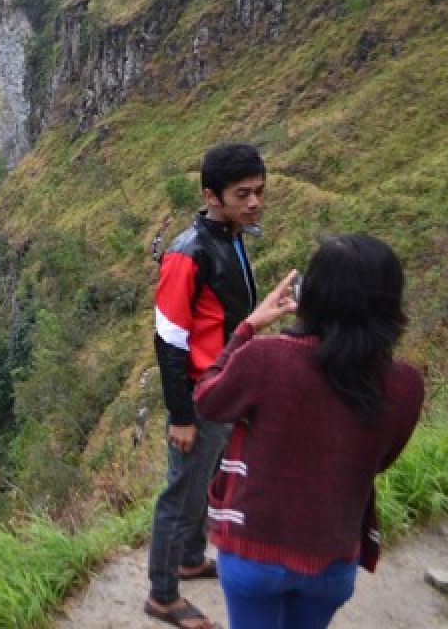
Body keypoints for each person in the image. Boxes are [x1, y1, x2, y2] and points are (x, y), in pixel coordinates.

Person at [194, 234, 424, 629]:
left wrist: (247, 327)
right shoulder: (405, 384)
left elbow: (207, 399)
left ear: (312, 296)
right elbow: (380, 459)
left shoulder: (268, 359)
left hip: (254, 547)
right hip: (331, 556)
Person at [146, 143, 266, 629]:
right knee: (182, 494)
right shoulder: (187, 253)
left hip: (225, 386)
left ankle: (191, 558)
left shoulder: (231, 235)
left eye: (260, 192)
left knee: (204, 482)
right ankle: (162, 595)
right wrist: (180, 415)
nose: (255, 202)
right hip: (199, 394)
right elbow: (169, 338)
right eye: (244, 194)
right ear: (211, 196)